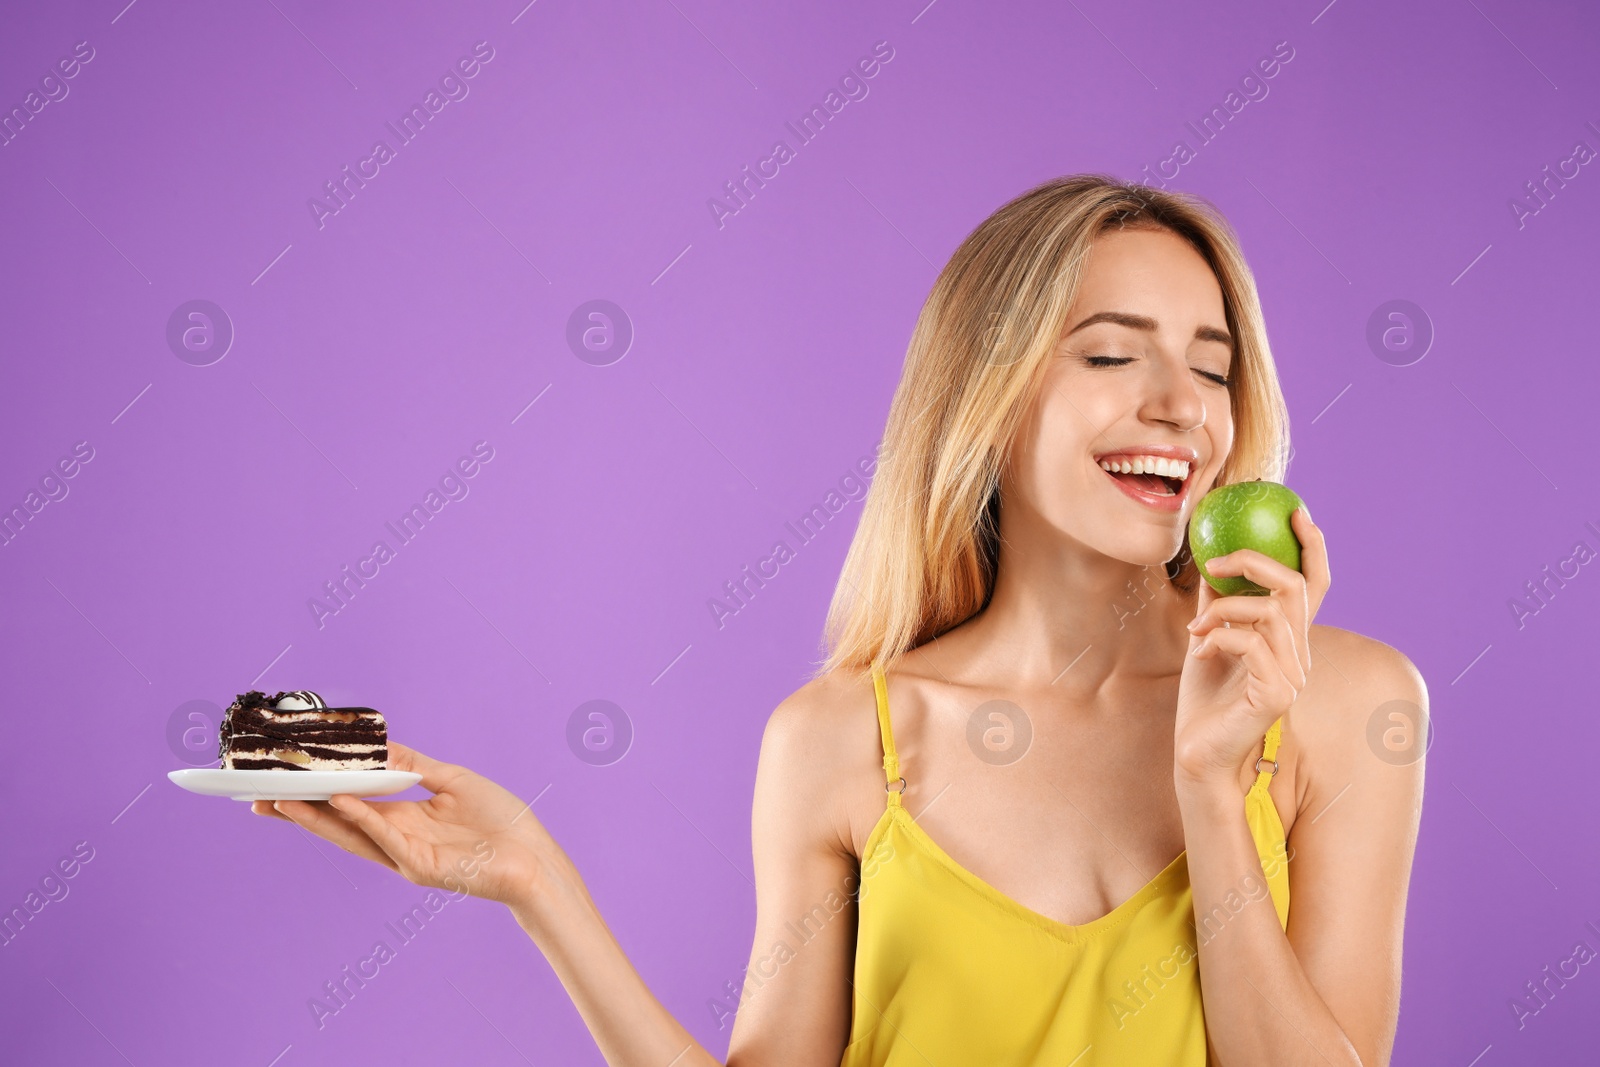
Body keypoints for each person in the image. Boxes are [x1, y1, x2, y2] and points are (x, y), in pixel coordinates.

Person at [255, 174, 1427, 1065]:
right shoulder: (836, 739)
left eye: (1214, 369)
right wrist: (532, 878)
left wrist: (1213, 787)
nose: (1180, 407)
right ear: (988, 394)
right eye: (1112, 353)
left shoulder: (1343, 702)